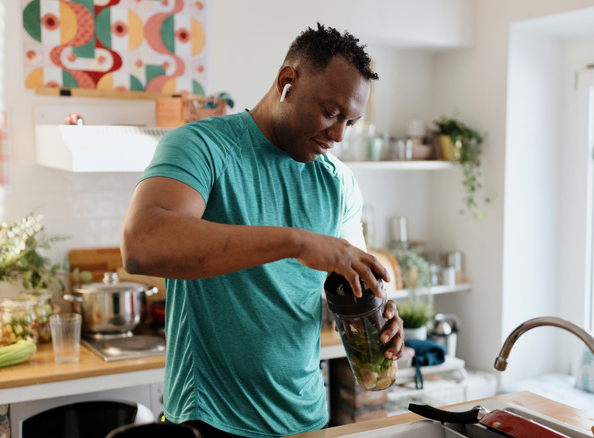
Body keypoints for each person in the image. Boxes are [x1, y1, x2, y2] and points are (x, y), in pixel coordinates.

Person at [120, 23, 405, 437]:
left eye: (351, 121)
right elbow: (143, 244)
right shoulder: (202, 147)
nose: (339, 134)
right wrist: (296, 241)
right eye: (330, 111)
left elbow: (354, 286)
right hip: (211, 423)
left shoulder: (337, 182)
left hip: (308, 420)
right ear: (287, 81)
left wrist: (379, 317)